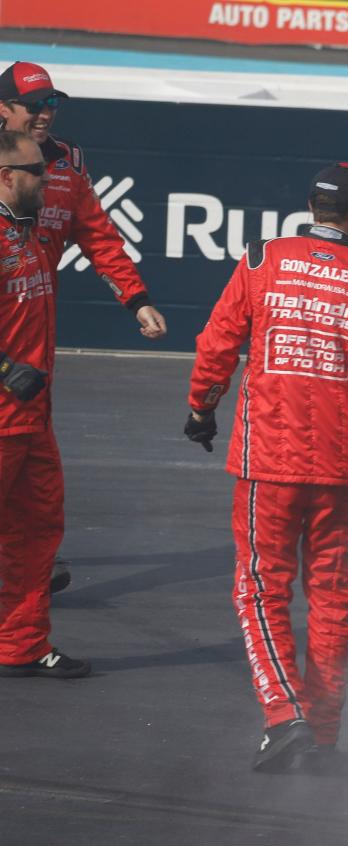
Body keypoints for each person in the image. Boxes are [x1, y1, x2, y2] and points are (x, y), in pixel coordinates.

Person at [185, 162, 348, 773]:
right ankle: (323, 732)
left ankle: (285, 715)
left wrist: (202, 407)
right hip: (344, 470)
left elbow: (218, 341)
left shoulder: (261, 260)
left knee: (260, 588)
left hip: (268, 463)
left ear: (313, 206)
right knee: (336, 597)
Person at [0, 61, 168, 593]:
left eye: (53, 103)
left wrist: (136, 300)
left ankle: (24, 580)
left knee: (32, 486)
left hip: (31, 338)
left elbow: (98, 236)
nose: (46, 113)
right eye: (35, 104)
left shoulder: (68, 163)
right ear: (3, 109)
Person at [0, 129, 90, 678]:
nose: (47, 178)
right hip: (5, 413)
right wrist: (7, 370)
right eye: (36, 171)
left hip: (34, 420)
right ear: (8, 177)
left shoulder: (29, 230)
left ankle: (22, 645)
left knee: (36, 533)